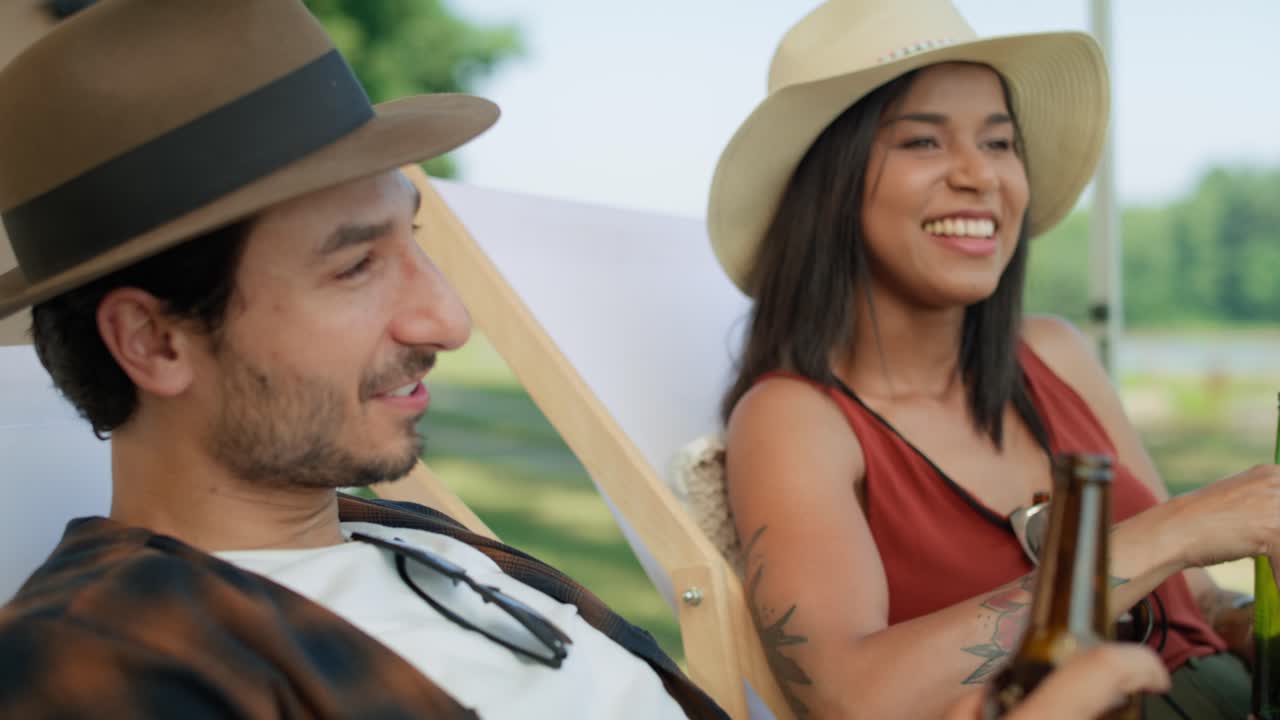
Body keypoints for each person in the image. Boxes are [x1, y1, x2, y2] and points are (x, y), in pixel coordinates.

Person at [0, 1, 1173, 718]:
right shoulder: (105, 666)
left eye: (415, 243)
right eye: (356, 267)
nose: (448, 321)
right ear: (154, 339)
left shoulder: (429, 547)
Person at [714, 0, 1273, 718]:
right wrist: (1174, 530)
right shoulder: (795, 418)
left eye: (1000, 143)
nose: (981, 176)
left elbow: (1196, 600)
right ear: (833, 185)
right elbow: (853, 697)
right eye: (923, 142)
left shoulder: (1052, 355)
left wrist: (1246, 622)